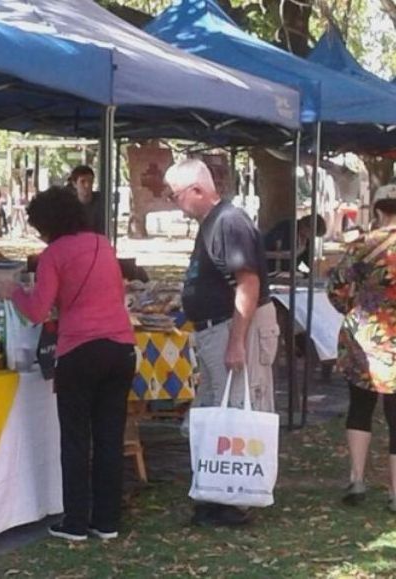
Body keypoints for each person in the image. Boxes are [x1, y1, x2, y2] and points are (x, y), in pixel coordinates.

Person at [11, 187, 136, 541]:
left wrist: (12, 291)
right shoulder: (102, 244)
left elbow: (37, 310)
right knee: (110, 437)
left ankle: (76, 521)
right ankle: (107, 521)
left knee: (77, 439)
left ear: (47, 223)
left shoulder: (54, 254)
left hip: (80, 350)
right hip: (121, 348)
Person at [165, 159, 279, 527]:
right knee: (214, 412)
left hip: (232, 328)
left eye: (175, 194)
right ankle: (214, 496)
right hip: (215, 329)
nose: (173, 202)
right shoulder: (213, 223)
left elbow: (248, 283)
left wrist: (236, 342)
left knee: (235, 413)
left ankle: (231, 498)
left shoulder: (228, 222)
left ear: (197, 190)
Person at [327, 184, 396, 511]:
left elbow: (336, 286)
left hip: (363, 337)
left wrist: (353, 309)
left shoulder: (361, 245)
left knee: (360, 406)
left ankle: (356, 479)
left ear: (379, 209)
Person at [67, 165, 105, 234]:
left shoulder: (101, 202)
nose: (87, 185)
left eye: (90, 181)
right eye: (82, 181)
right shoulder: (69, 205)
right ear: (74, 184)